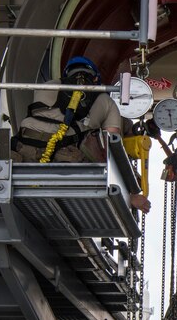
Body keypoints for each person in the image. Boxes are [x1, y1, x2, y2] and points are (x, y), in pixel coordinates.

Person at [12, 55, 150, 212]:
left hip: (24, 150)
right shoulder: (106, 101)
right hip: (63, 159)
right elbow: (112, 146)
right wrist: (129, 191)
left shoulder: (48, 86)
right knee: (98, 166)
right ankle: (129, 199)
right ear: (96, 79)